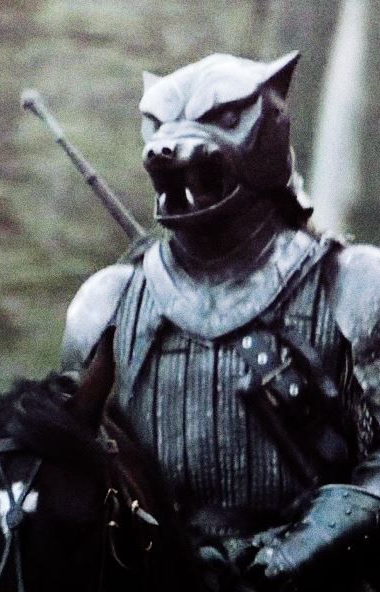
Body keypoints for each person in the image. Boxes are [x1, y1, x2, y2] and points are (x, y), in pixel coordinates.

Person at [60, 52, 380, 591]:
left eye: (224, 119)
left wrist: (305, 546)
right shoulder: (106, 304)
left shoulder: (355, 284)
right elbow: (68, 464)